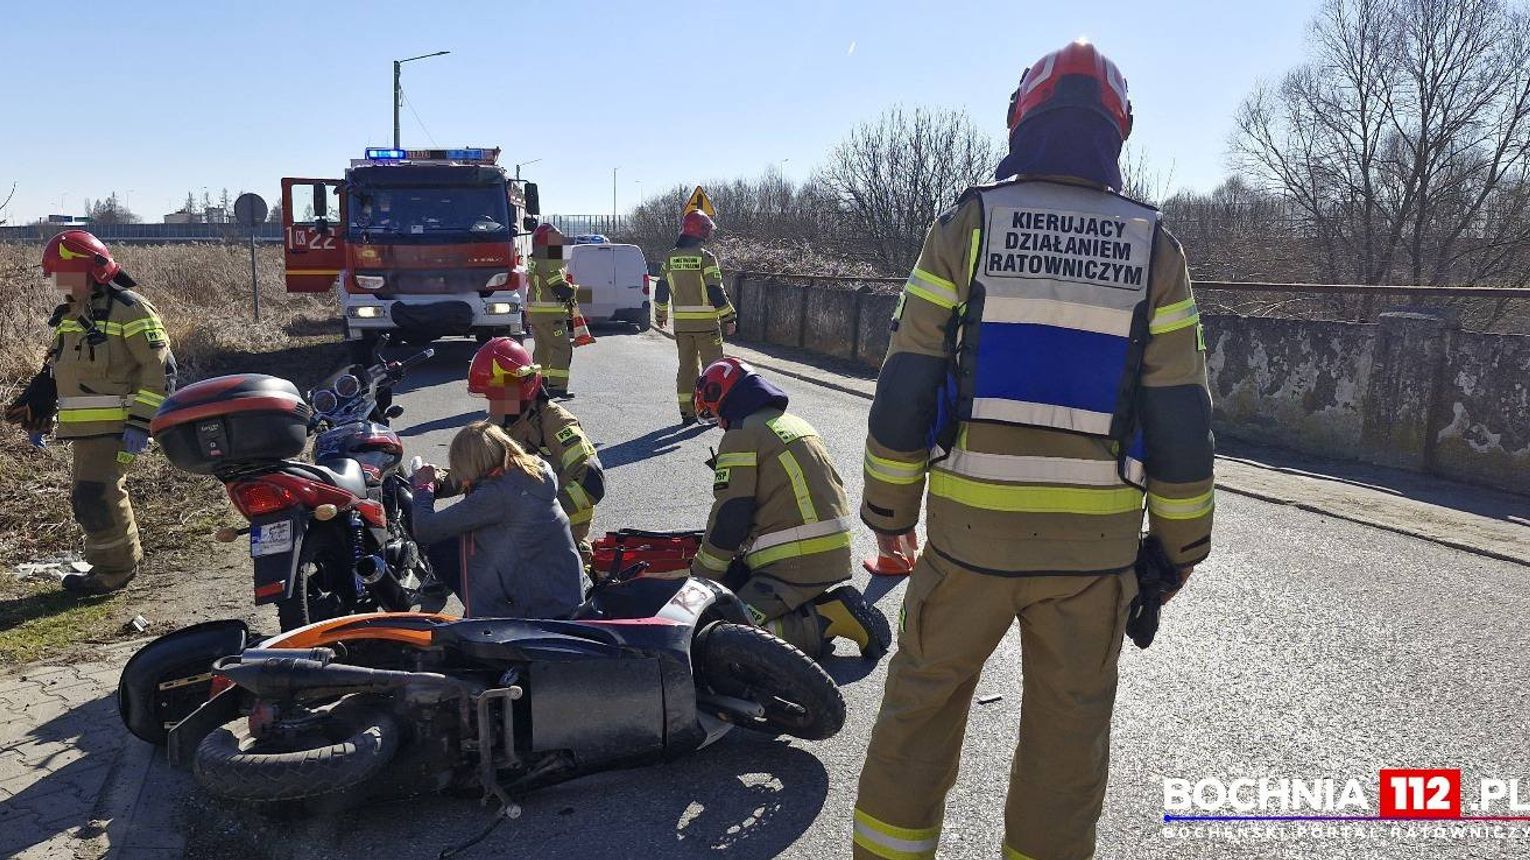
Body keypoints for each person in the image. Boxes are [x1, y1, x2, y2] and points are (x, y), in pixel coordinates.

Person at [852, 40, 1216, 860]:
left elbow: (907, 383)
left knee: (919, 719)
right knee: (1066, 750)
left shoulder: (968, 224)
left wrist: (888, 513)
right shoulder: (1155, 247)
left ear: (1023, 119)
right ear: (1117, 134)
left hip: (968, 545)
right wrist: (1183, 543)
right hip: (1093, 560)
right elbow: (1180, 412)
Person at [9, 231, 176, 595]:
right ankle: (110, 566)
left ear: (88, 271)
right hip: (84, 430)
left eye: (60, 273)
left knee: (96, 495)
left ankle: (115, 573)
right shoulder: (71, 315)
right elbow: (57, 369)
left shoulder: (130, 309)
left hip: (117, 426)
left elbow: (157, 369)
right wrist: (38, 409)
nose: (55, 282)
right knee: (88, 496)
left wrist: (142, 423)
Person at [690, 357, 886, 660]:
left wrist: (703, 576)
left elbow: (732, 514)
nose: (717, 423)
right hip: (827, 553)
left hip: (790, 565)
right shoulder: (792, 423)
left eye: (713, 414)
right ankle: (815, 607)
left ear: (721, 398)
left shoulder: (742, 433)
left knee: (718, 637)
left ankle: (827, 620)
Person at [410, 421, 588, 618]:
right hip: (563, 593)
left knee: (443, 547)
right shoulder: (529, 470)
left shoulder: (497, 495)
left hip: (542, 610)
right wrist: (442, 480)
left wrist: (423, 488)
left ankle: (485, 622)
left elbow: (426, 529)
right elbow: (471, 482)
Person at [467, 337, 604, 566]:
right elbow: (472, 468)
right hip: (517, 536)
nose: (494, 405)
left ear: (522, 386)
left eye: (498, 396)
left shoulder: (557, 423)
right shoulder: (504, 422)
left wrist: (541, 513)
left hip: (562, 538)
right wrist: (432, 482)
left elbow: (592, 482)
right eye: (491, 398)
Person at [654, 211, 736, 425]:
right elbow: (715, 291)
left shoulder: (670, 258)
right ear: (702, 231)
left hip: (682, 326)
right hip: (707, 326)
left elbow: (661, 289)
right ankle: (709, 411)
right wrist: (729, 317)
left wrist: (660, 313)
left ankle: (687, 411)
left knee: (686, 368)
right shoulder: (706, 258)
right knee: (713, 369)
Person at [525, 223, 576, 398]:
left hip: (536, 315)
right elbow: (560, 288)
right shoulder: (549, 263)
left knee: (542, 351)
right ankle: (558, 387)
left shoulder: (534, 261)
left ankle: (540, 386)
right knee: (562, 348)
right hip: (550, 315)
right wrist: (576, 291)